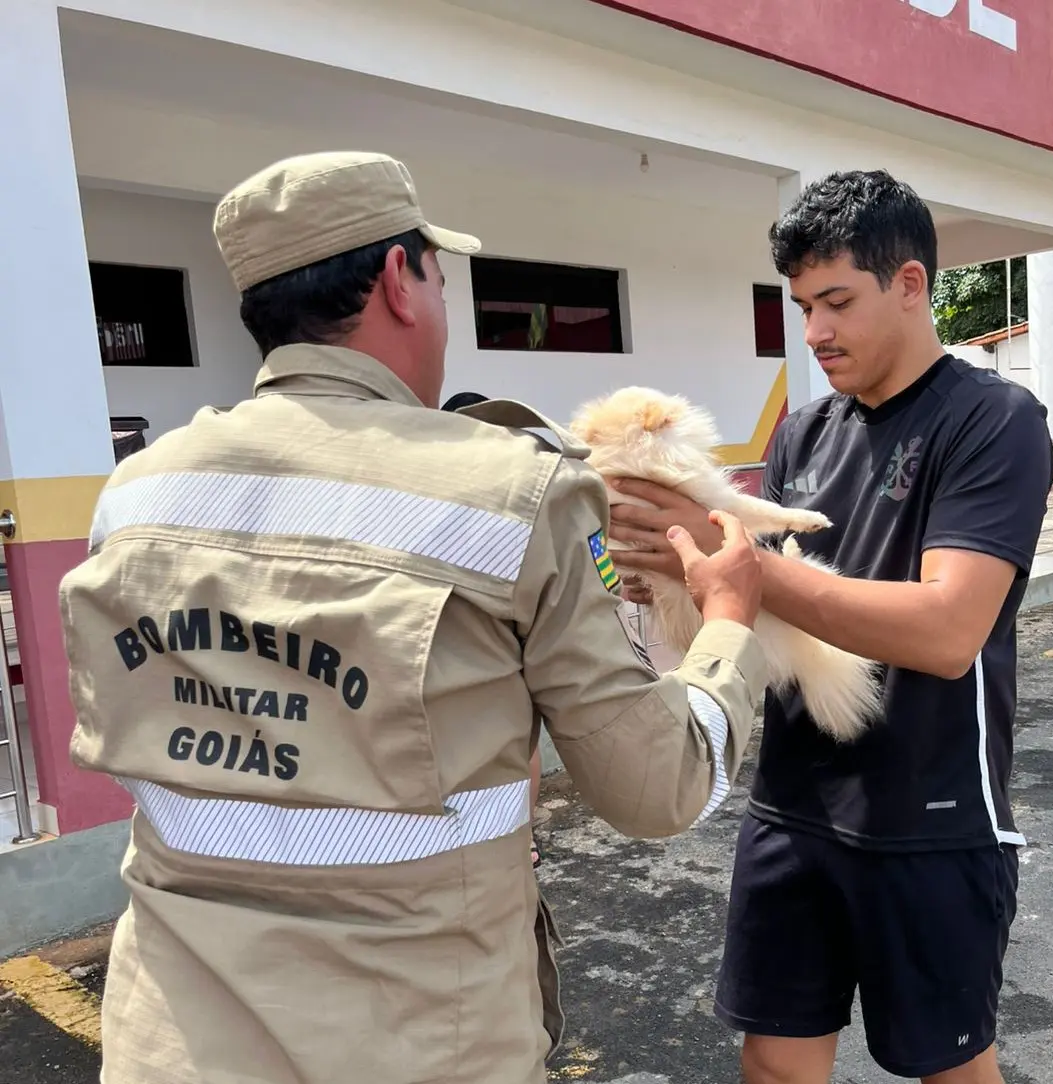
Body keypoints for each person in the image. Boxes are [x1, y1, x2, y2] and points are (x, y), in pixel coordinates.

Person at [59, 150, 769, 1084]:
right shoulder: (518, 493)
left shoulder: (136, 493)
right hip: (425, 1046)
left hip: (170, 1049)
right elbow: (656, 789)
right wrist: (727, 624)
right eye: (439, 274)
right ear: (401, 280)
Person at [607, 170, 1053, 1084]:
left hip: (930, 813)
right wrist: (665, 577)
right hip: (793, 801)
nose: (814, 333)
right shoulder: (805, 430)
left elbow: (946, 629)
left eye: (836, 302)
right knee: (773, 1061)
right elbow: (766, 619)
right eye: (803, 305)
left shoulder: (994, 421)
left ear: (912, 284)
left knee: (949, 1068)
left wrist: (746, 565)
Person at [441, 389, 545, 867]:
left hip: (505, 642)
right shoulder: (438, 497)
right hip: (470, 645)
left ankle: (520, 834)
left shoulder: (512, 494)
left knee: (518, 739)